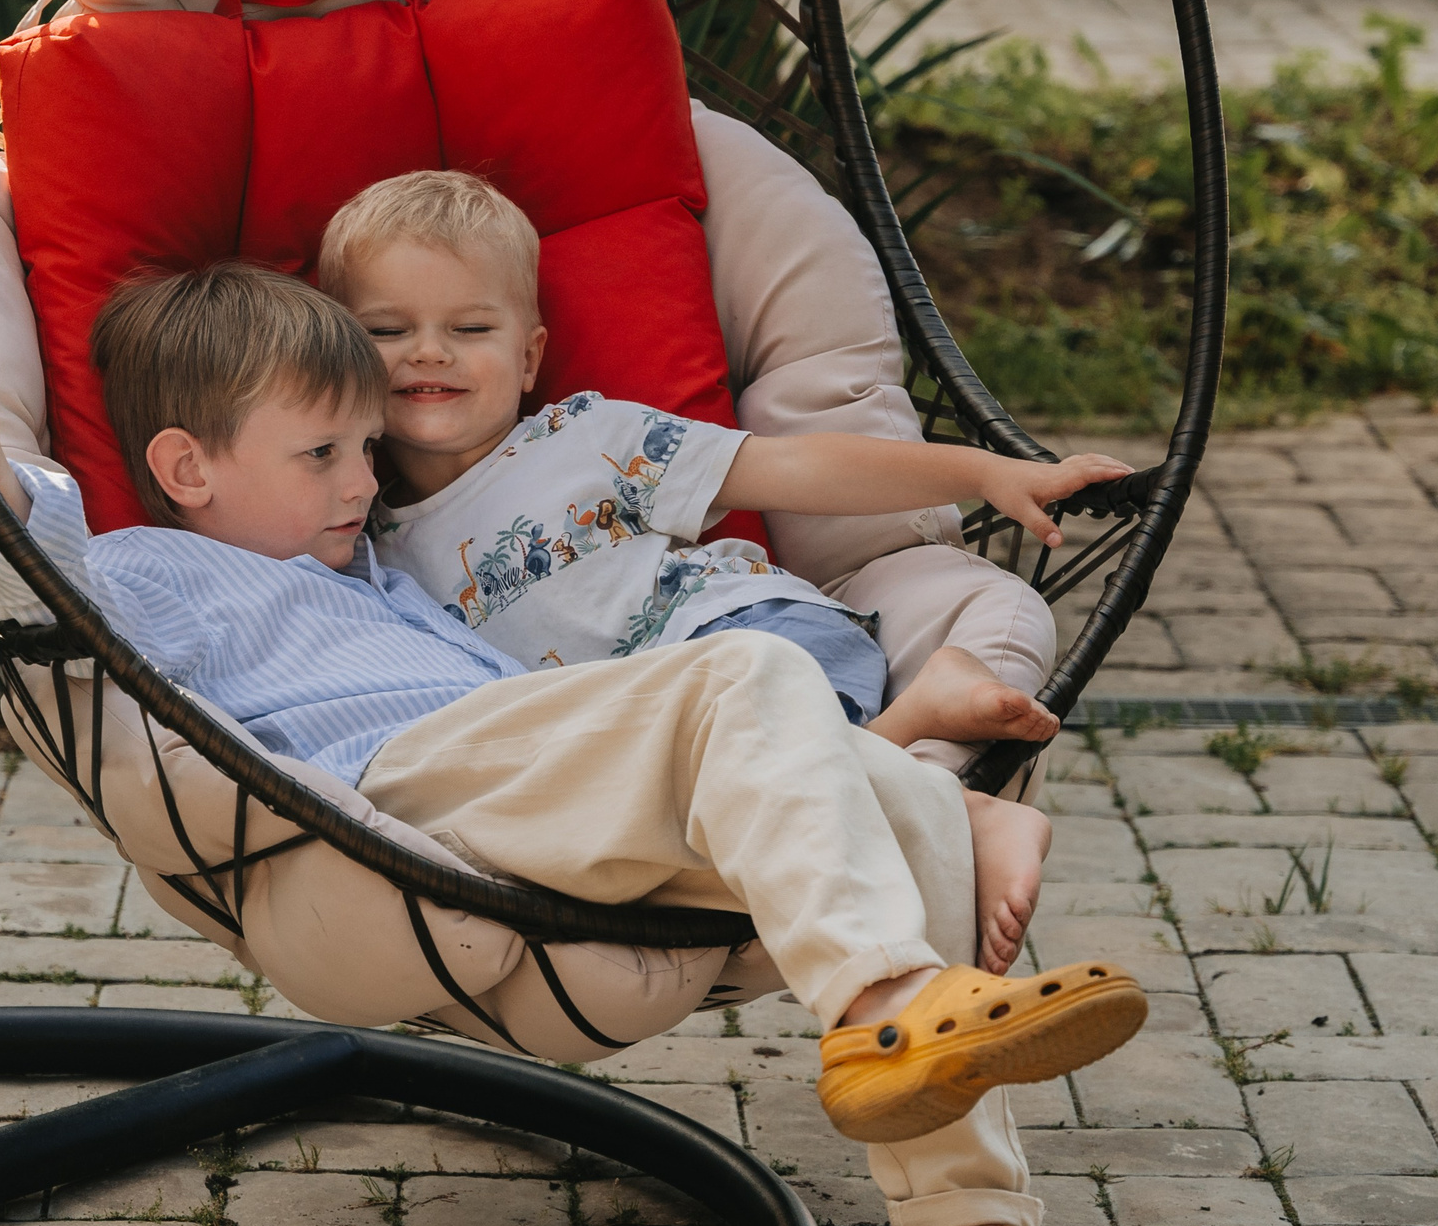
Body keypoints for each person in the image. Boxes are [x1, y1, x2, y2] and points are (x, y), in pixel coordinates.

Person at [0, 263, 1147, 1226]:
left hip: (538, 788)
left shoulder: (374, 573)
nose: (361, 481)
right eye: (320, 455)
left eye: (365, 448)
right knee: (748, 675)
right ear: (185, 468)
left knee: (904, 795)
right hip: (394, 799)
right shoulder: (156, 569)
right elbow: (37, 584)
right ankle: (885, 1005)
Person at [312, 171, 1137, 973]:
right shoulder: (362, 544)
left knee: (746, 787)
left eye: (468, 329)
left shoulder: (588, 440)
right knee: (660, 826)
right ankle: (952, 793)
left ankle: (935, 764)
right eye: (386, 331)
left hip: (755, 643)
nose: (429, 352)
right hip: (648, 735)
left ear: (529, 358)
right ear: (339, 356)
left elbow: (799, 469)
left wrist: (983, 473)